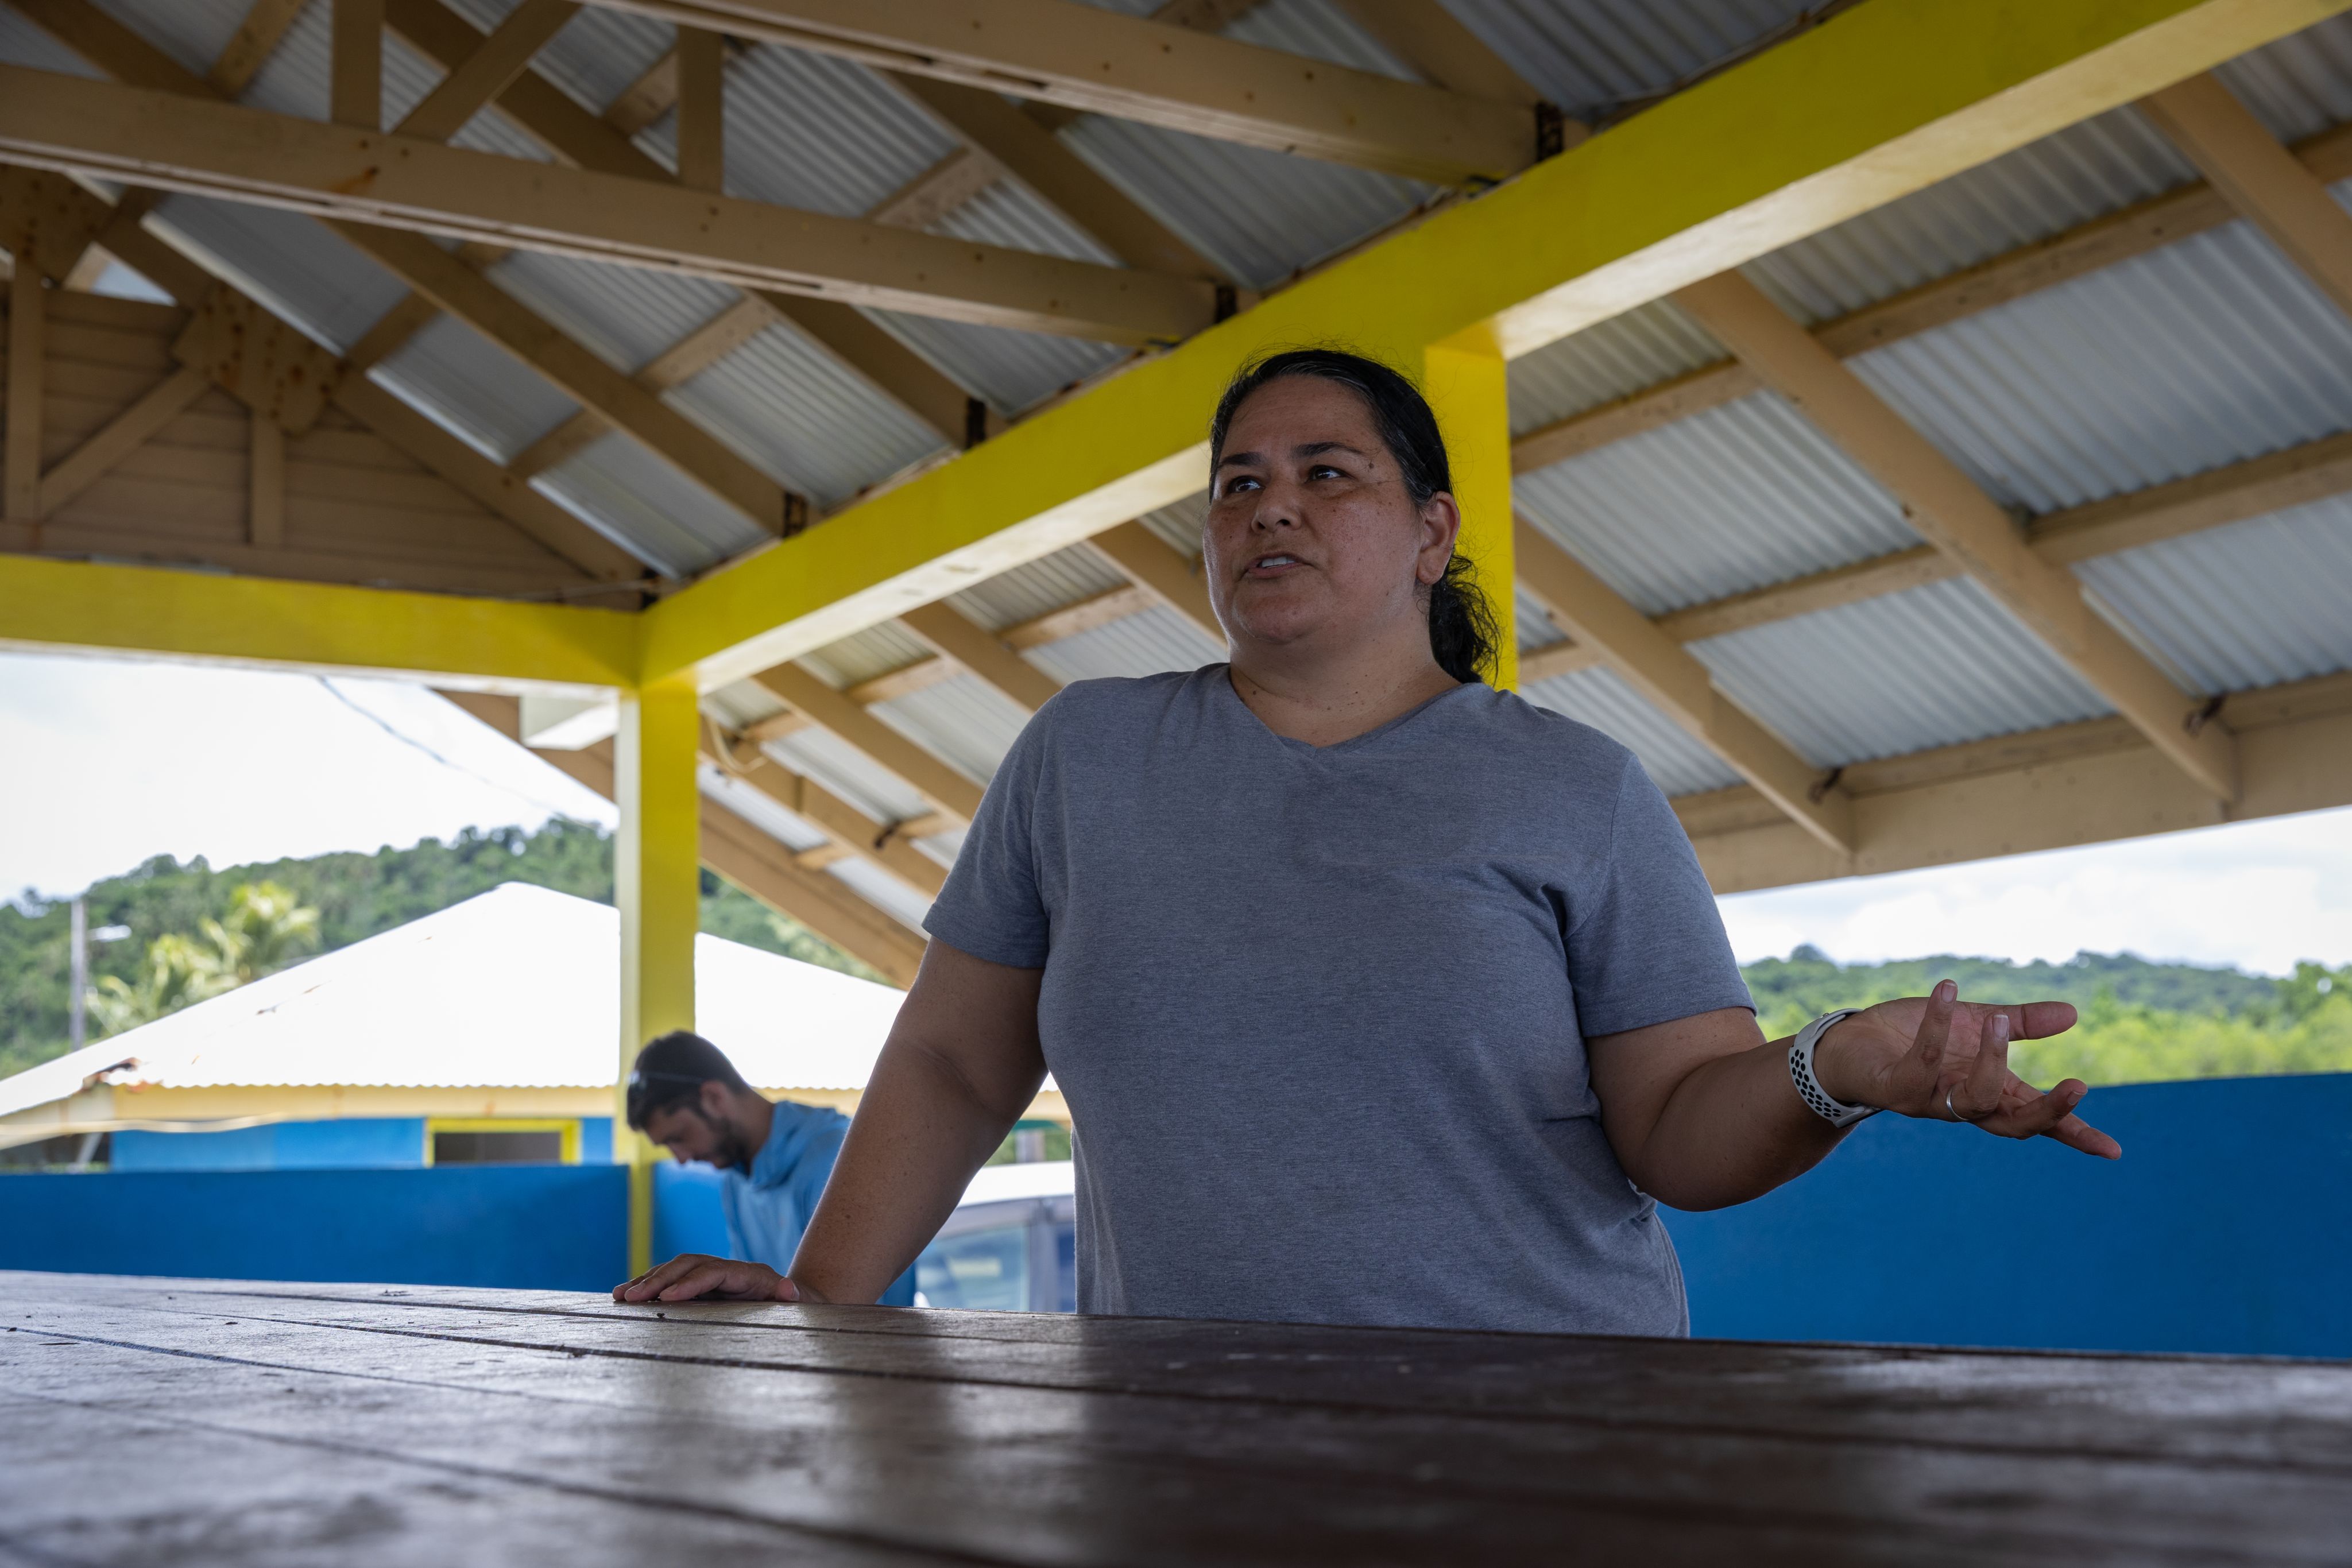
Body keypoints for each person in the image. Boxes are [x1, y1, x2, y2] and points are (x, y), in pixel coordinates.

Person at [616, 347, 2119, 1333]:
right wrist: (819, 1295)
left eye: (1329, 472)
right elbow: (955, 1058)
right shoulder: (1084, 758)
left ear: (1432, 532)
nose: (1273, 505)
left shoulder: (1574, 790)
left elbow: (1673, 1127)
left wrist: (1836, 1066)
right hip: (1179, 1451)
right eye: (1239, 484)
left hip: (1542, 1450)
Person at [613, 1031, 914, 1307]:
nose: (680, 1159)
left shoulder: (834, 1159)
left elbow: (857, 1313)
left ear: (714, 1098)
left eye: (678, 1138)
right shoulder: (736, 1178)